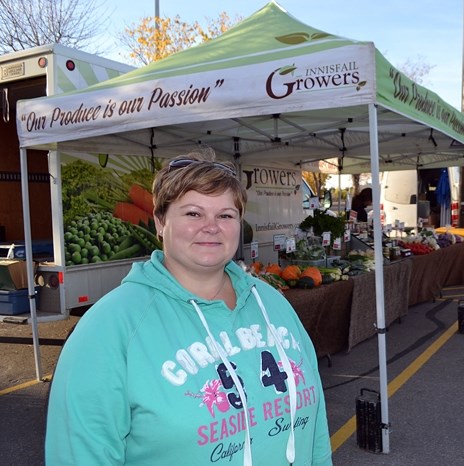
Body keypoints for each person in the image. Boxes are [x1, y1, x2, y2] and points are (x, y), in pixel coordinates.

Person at [45, 151, 333, 466]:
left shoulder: (272, 303)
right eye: (193, 213)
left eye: (225, 215)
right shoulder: (108, 329)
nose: (211, 227)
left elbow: (315, 428)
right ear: (160, 221)